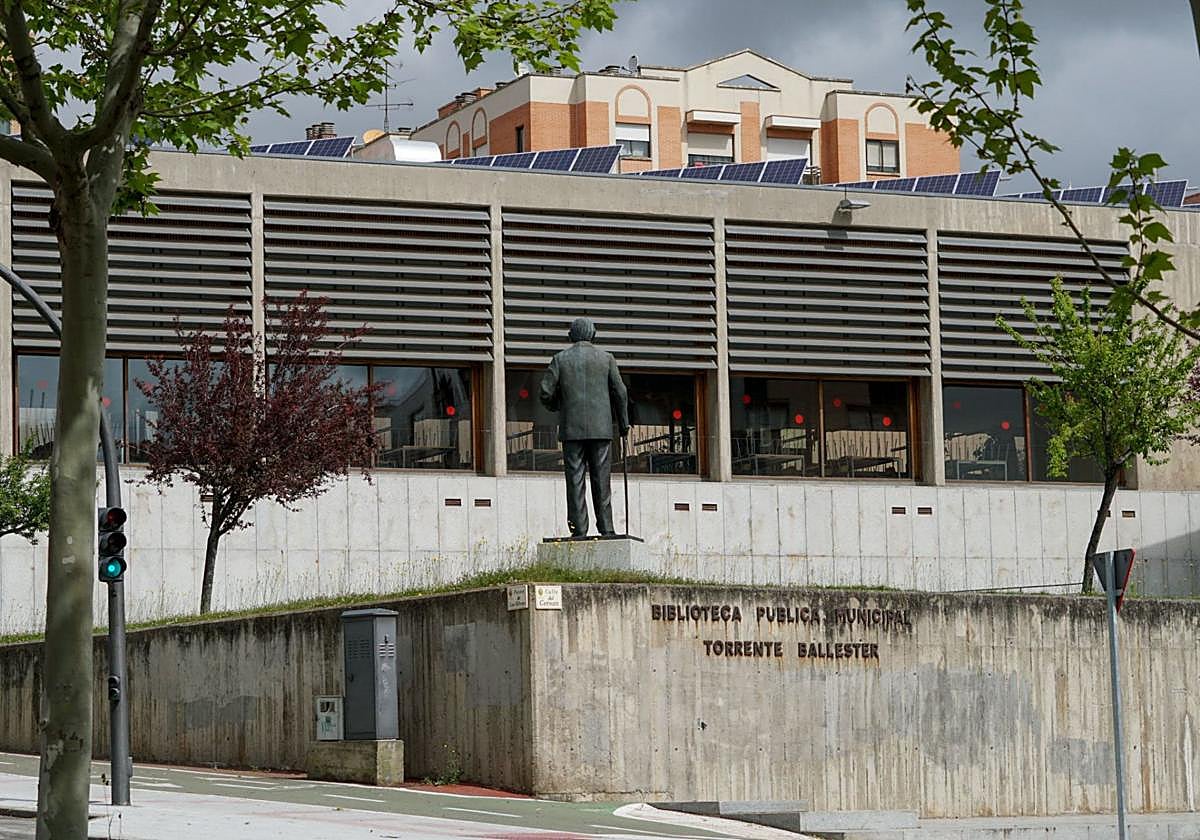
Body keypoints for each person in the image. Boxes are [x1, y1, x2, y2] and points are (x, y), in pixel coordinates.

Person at [540, 317, 630, 537]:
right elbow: (621, 392)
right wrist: (624, 423)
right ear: (593, 335)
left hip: (572, 429)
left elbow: (545, 392)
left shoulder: (560, 359)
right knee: (602, 480)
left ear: (571, 336)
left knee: (575, 480)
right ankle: (607, 528)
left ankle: (579, 530)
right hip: (601, 429)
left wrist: (557, 406)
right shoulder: (607, 359)